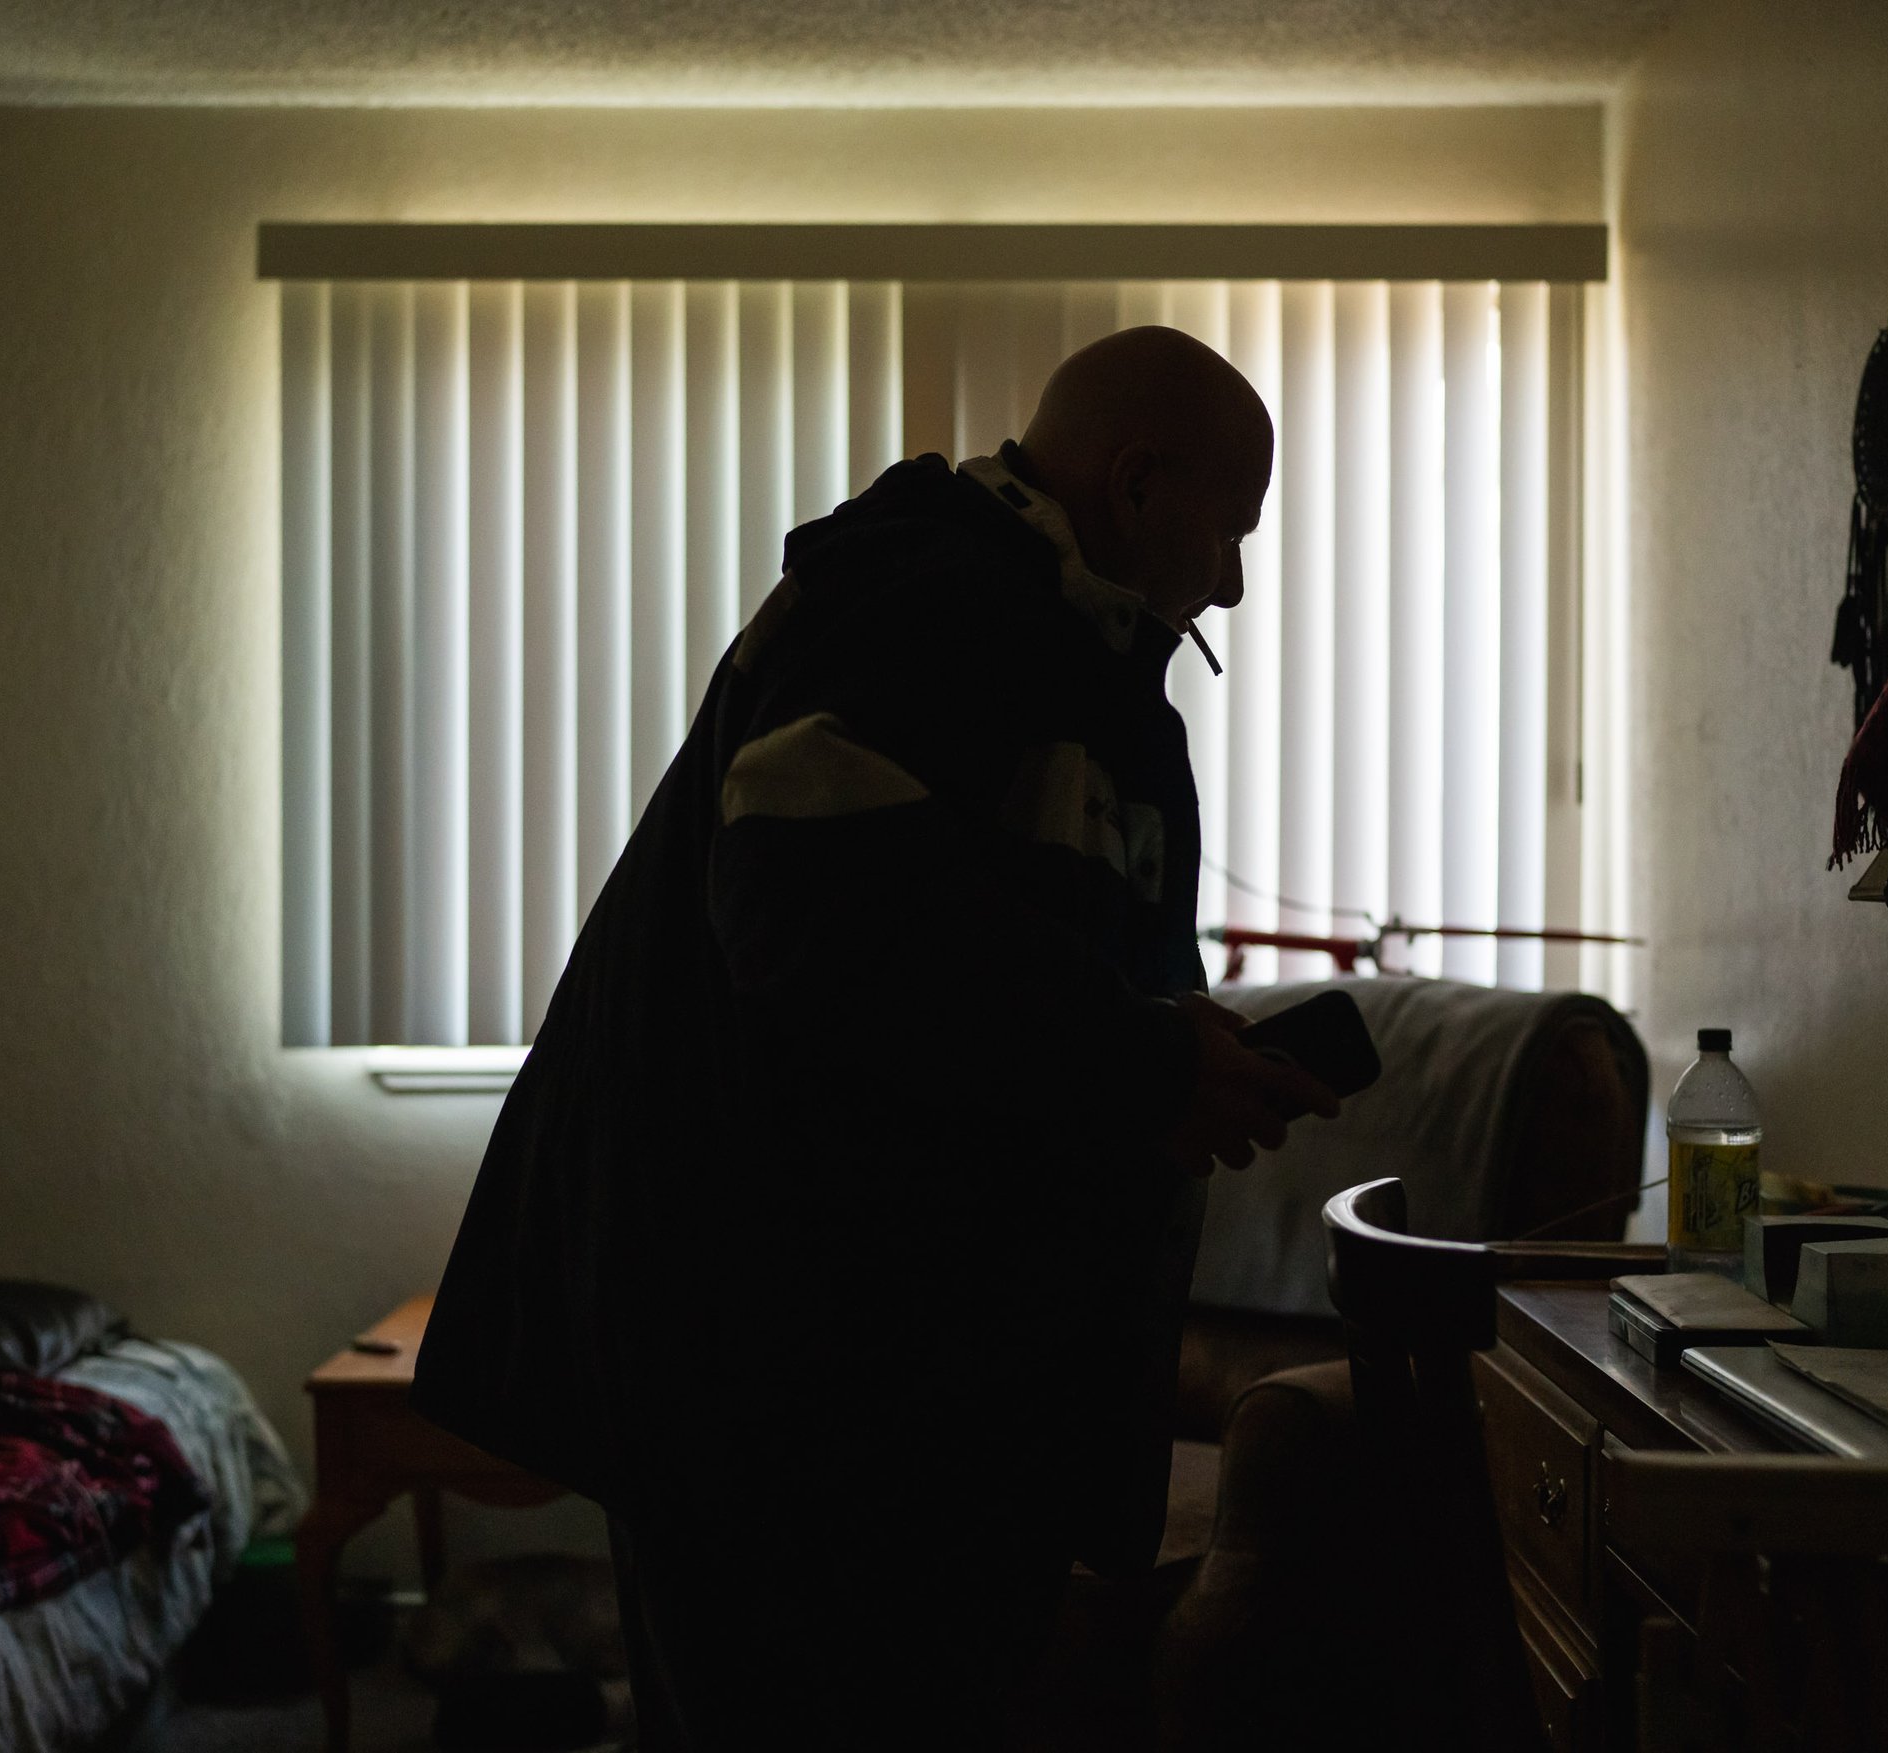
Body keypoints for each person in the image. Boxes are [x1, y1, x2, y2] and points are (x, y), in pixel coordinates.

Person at [413, 325, 1342, 1749]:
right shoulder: (921, 603)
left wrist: (1170, 1044)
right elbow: (819, 913)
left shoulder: (1053, 645)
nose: (1230, 580)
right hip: (786, 1394)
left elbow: (1005, 955)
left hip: (886, 1388)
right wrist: (1145, 1060)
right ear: (1141, 480)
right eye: (1231, 529)